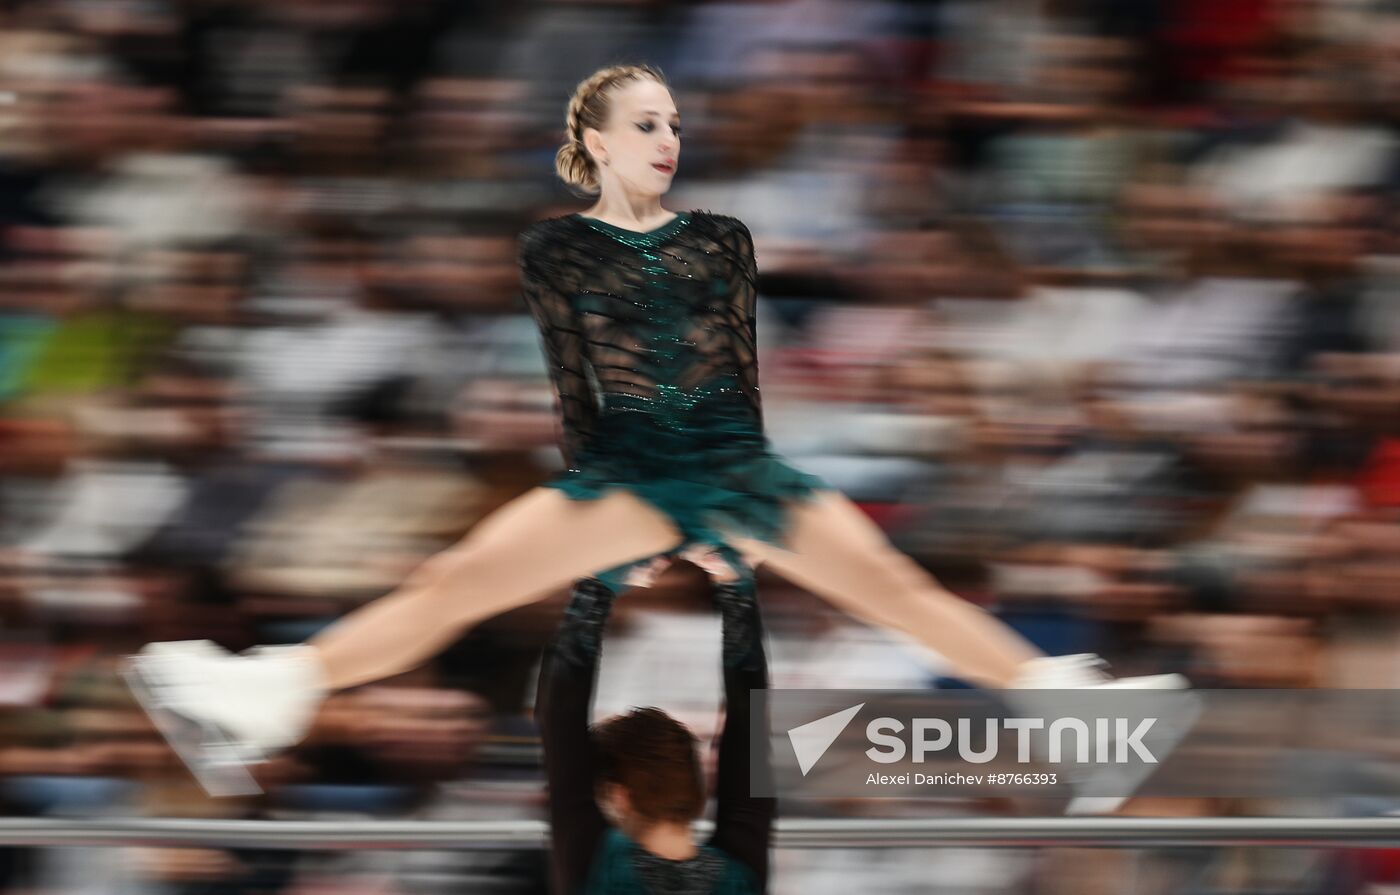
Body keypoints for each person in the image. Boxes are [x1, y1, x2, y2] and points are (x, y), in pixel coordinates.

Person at [125, 63, 1186, 805]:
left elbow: (732, 367)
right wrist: (645, 514)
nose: (667, 140)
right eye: (645, 125)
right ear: (592, 141)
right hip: (641, 471)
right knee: (451, 586)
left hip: (713, 462)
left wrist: (701, 507)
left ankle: (262, 694)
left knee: (899, 594)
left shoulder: (720, 236)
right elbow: (578, 385)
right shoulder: (557, 248)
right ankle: (262, 695)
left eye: (673, 123)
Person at [540, 559, 773, 894]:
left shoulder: (598, 865)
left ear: (619, 796)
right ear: (696, 786)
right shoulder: (739, 876)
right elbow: (750, 728)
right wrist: (735, 583)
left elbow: (560, 722)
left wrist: (736, 588)